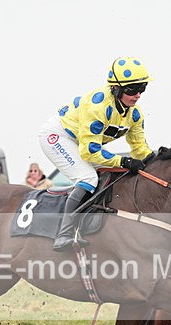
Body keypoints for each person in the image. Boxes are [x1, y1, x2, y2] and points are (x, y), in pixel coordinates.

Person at [39, 56, 156, 251]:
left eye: (142, 88)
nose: (138, 95)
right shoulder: (98, 107)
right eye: (132, 89)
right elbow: (89, 151)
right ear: (116, 89)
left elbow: (140, 149)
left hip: (82, 141)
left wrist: (157, 159)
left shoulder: (135, 114)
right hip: (58, 136)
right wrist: (124, 160)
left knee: (116, 173)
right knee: (88, 178)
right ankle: (64, 234)